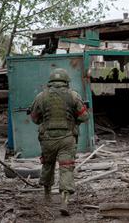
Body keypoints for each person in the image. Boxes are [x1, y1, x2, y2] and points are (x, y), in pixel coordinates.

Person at [29, 68, 89, 216]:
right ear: (66, 82)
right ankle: (64, 201)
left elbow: (35, 119)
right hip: (67, 139)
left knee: (48, 165)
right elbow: (84, 117)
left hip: (47, 139)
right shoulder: (74, 96)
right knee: (66, 168)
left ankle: (47, 195)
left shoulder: (41, 96)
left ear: (50, 82)